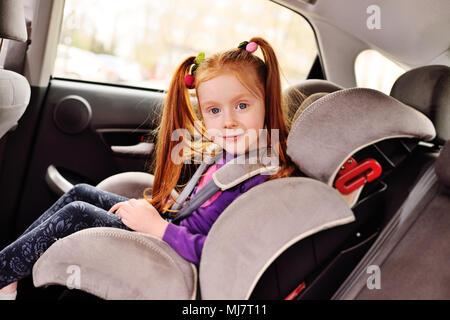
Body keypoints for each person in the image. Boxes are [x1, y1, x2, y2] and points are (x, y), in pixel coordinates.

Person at [0, 37, 298, 300]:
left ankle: (3, 276)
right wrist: (163, 212)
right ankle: (8, 277)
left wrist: (158, 227)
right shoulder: (229, 154)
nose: (228, 121)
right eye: (214, 111)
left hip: (175, 256)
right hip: (172, 231)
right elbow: (201, 209)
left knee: (78, 214)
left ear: (267, 101)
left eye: (242, 105)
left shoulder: (261, 178)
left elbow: (223, 256)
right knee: (80, 193)